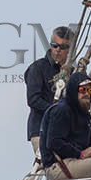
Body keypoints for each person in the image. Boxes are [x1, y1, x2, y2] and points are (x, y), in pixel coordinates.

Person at [40, 72, 91, 180]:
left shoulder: (86, 117)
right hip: (58, 166)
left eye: (90, 90)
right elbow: (54, 142)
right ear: (73, 90)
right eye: (83, 90)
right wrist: (80, 154)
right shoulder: (61, 110)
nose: (87, 93)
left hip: (74, 160)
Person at [24, 26, 72, 159]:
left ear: (70, 50)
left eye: (62, 47)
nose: (57, 50)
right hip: (41, 130)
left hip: (67, 133)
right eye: (54, 45)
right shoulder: (37, 68)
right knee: (57, 168)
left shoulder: (72, 73)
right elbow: (33, 99)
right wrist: (55, 111)